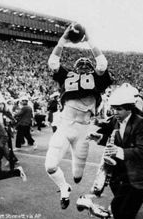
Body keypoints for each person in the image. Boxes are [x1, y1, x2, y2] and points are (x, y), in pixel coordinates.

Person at [45, 23, 112, 209]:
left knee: (78, 174)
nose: (83, 67)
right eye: (80, 65)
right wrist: (63, 39)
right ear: (75, 69)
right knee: (50, 166)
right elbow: (53, 63)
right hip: (65, 126)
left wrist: (89, 38)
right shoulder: (67, 76)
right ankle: (63, 188)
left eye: (86, 65)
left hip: (83, 130)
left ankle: (72, 183)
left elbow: (102, 64)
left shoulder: (97, 78)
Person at [77, 84, 143, 219]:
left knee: (123, 212)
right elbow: (116, 140)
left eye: (119, 109)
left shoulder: (140, 123)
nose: (115, 112)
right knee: (118, 209)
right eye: (113, 109)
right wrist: (101, 138)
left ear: (129, 109)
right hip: (127, 174)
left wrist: (118, 151)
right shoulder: (118, 121)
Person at [0, 95, 19, 169]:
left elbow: (13, 120)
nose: (0, 106)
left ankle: (11, 160)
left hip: (6, 132)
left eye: (1, 104)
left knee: (6, 147)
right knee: (3, 148)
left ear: (4, 104)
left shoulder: (6, 111)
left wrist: (9, 121)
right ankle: (12, 159)